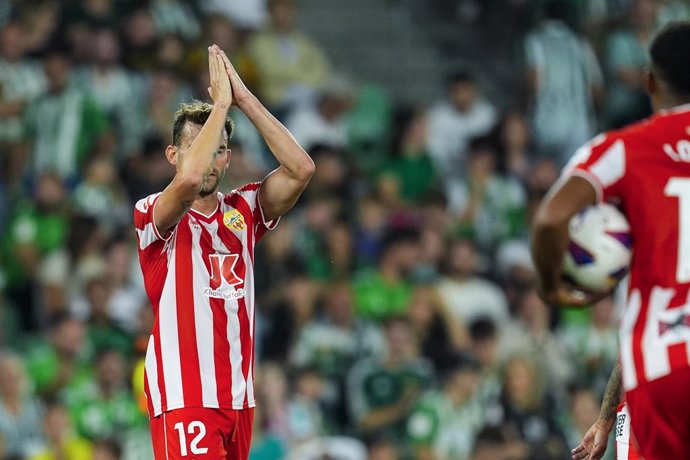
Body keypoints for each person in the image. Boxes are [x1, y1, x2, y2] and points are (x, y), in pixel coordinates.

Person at [133, 44, 314, 459]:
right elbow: (191, 179)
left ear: (228, 157)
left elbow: (301, 169)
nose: (209, 159)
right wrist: (219, 108)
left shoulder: (244, 211)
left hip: (239, 398)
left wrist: (244, 100)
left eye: (217, 149)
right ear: (173, 156)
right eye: (197, 147)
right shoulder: (153, 213)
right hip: (186, 397)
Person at [532, 21, 690, 459]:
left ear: (651, 81)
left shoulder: (626, 149)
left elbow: (551, 219)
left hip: (662, 368)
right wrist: (604, 417)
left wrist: (551, 286)